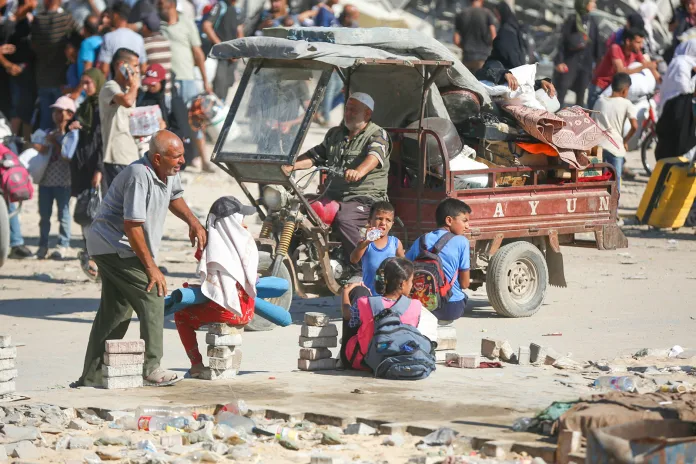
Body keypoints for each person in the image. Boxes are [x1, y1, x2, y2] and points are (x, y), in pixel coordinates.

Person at [77, 130, 207, 388]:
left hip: (116, 246)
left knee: (115, 311)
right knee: (153, 293)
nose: (182, 161)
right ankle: (151, 367)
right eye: (176, 157)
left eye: (183, 155)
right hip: (113, 245)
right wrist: (151, 268)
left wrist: (193, 222)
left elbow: (175, 196)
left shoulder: (168, 171)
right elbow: (132, 226)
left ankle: (90, 377)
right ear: (157, 158)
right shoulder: (139, 175)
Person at [283, 92, 390, 261]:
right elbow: (315, 156)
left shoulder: (377, 134)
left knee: (344, 219)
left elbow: (374, 157)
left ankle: (362, 265)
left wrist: (359, 171)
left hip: (364, 198)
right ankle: (287, 258)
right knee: (295, 208)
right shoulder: (335, 134)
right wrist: (291, 165)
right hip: (333, 196)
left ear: (367, 113)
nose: (348, 113)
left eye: (353, 110)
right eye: (347, 109)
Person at [174, 197, 257, 378]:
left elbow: (207, 272)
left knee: (181, 315)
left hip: (225, 311)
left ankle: (196, 364)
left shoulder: (210, 242)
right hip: (248, 310)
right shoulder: (248, 240)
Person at [158, 0, 214, 172]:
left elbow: (197, 52)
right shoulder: (157, 25)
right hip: (166, 82)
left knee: (195, 120)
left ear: (172, 5)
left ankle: (203, 159)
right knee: (168, 122)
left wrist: (205, 81)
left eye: (162, 4)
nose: (159, 7)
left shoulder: (187, 23)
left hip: (187, 79)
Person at [341, 257, 423, 370]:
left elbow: (348, 316)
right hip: (400, 360)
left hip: (364, 362)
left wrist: (345, 293)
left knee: (355, 316)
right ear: (403, 284)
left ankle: (344, 361)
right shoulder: (416, 306)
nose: (412, 285)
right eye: (411, 281)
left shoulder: (364, 302)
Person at [405, 198, 471, 323]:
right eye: (464, 221)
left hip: (421, 304)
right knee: (462, 296)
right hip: (451, 308)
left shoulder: (421, 239)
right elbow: (465, 284)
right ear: (449, 220)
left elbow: (405, 266)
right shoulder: (462, 241)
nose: (467, 226)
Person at [475, 2, 556, 97]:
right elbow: (484, 73)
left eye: (497, 15)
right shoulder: (496, 64)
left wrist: (541, 83)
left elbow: (523, 84)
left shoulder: (506, 33)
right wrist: (503, 74)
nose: (497, 18)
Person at [69, 68, 105, 279]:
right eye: (83, 83)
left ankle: (98, 258)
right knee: (86, 213)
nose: (85, 87)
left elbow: (104, 141)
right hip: (81, 169)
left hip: (95, 169)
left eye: (89, 83)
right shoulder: (83, 107)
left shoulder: (102, 108)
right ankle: (90, 255)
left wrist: (99, 170)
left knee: (97, 214)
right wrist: (73, 126)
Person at [36, 96, 76, 260]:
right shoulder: (47, 132)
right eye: (55, 111)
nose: (58, 115)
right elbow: (41, 152)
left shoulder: (72, 135)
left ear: (70, 114)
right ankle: (43, 245)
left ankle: (63, 245)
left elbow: (68, 156)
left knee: (64, 215)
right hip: (45, 181)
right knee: (44, 216)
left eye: (62, 111)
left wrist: (56, 143)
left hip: (64, 182)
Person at [31, 0, 79, 130]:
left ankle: (45, 145)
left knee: (46, 119)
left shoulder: (38, 19)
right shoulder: (65, 18)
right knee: (61, 121)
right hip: (61, 79)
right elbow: (78, 35)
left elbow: (33, 44)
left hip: (42, 77)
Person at [99, 47, 141, 188]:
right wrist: (134, 86)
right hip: (117, 155)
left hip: (132, 154)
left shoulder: (129, 90)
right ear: (121, 65)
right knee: (121, 203)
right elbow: (127, 102)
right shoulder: (110, 86)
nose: (137, 71)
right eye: (135, 66)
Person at [588, 28, 658, 110]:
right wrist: (644, 66)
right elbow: (620, 71)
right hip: (600, 87)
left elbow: (647, 64)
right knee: (592, 115)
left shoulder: (636, 52)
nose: (641, 46)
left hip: (611, 89)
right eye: (638, 42)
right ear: (628, 41)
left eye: (642, 43)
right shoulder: (615, 48)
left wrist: (660, 80)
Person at [347, 201, 404, 297]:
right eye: (379, 218)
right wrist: (366, 242)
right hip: (369, 296)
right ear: (369, 222)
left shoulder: (395, 243)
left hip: (389, 297)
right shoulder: (365, 243)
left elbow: (404, 267)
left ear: (392, 224)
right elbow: (353, 259)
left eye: (388, 220)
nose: (383, 223)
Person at [591, 73, 637, 193]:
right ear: (625, 90)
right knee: (615, 184)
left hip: (598, 147)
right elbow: (635, 126)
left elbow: (592, 123)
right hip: (615, 148)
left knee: (596, 181)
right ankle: (613, 210)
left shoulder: (599, 101)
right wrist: (625, 141)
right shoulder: (627, 104)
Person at [553, 0, 602, 107]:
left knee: (580, 96)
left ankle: (577, 121)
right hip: (569, 63)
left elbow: (597, 46)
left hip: (585, 66)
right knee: (560, 93)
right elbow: (562, 42)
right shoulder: (572, 20)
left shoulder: (592, 22)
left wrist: (597, 66)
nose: (594, 4)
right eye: (592, 2)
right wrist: (559, 62)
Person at [655, 39, 696, 162]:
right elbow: (683, 86)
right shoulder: (680, 63)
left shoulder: (688, 63)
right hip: (675, 107)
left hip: (682, 106)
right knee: (674, 141)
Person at [1, 0, 34, 141]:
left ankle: (24, 141)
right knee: (16, 107)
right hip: (12, 73)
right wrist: (8, 65)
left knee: (27, 108)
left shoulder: (32, 23)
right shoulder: (8, 25)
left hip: (27, 71)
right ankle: (11, 141)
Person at [201, 0, 243, 101]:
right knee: (218, 94)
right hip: (219, 57)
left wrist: (239, 51)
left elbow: (240, 31)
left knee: (227, 88)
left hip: (232, 58)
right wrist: (223, 47)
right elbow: (206, 26)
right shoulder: (220, 5)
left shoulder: (237, 10)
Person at [98, 2, 147, 77]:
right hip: (135, 84)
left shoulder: (108, 37)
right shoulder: (139, 38)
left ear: (115, 15)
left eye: (111, 15)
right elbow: (143, 68)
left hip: (116, 85)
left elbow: (104, 69)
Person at [453, 0, 497, 73]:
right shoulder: (487, 13)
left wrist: (465, 47)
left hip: (467, 58)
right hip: (483, 57)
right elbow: (494, 37)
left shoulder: (461, 14)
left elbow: (456, 40)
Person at [140, 11, 172, 108]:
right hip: (167, 91)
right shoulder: (166, 41)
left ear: (145, 27)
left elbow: (143, 69)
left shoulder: (145, 44)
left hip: (152, 94)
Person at [138, 63, 170, 127]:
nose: (150, 87)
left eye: (153, 84)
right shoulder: (141, 99)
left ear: (162, 82)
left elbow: (179, 129)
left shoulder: (169, 102)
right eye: (148, 84)